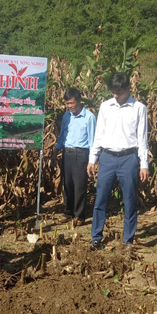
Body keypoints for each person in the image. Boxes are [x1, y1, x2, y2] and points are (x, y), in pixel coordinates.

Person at [88, 73, 149, 249]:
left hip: (129, 158)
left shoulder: (139, 108)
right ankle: (96, 237)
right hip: (107, 157)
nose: (116, 95)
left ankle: (128, 240)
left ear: (128, 89)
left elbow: (142, 138)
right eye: (113, 92)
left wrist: (144, 164)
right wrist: (93, 159)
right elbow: (99, 134)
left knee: (130, 199)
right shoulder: (105, 107)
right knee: (101, 198)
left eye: (119, 92)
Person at [56, 88, 96, 226]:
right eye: (67, 103)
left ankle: (79, 215)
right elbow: (62, 134)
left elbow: (92, 140)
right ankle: (68, 212)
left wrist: (92, 160)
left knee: (79, 185)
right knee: (67, 184)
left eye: (72, 103)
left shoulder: (89, 117)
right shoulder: (67, 116)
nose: (70, 106)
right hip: (67, 153)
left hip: (81, 154)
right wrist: (57, 149)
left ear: (79, 101)